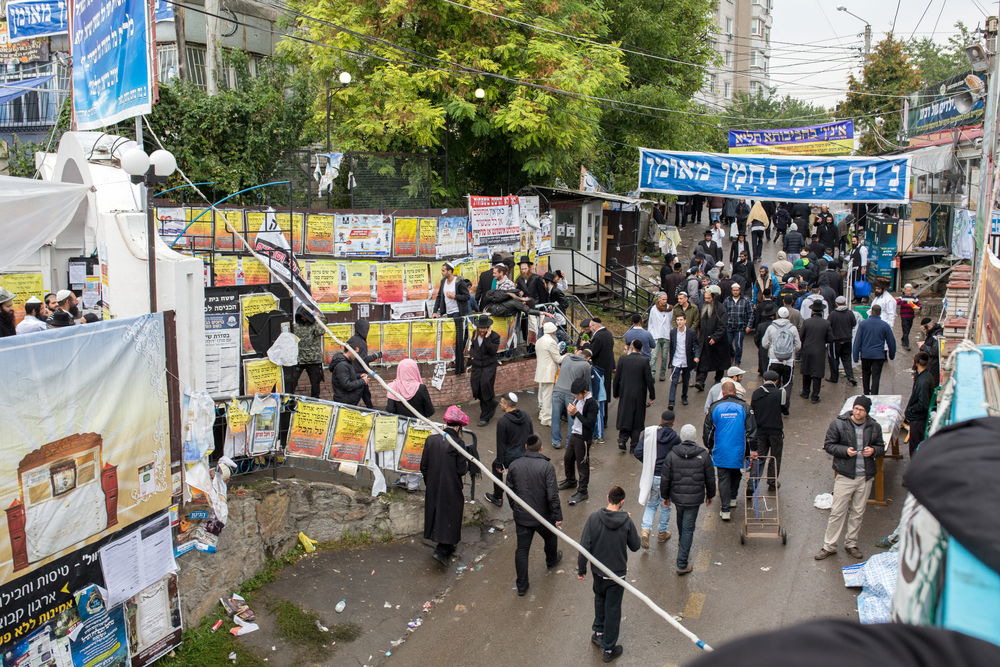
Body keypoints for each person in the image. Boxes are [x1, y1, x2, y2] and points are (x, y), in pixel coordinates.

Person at [814, 396, 885, 561]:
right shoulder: (839, 424)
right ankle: (829, 546)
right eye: (856, 409)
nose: (858, 412)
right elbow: (829, 445)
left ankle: (851, 543)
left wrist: (873, 451)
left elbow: (881, 447)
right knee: (837, 512)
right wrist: (845, 451)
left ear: (867, 412)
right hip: (845, 475)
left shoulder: (874, 427)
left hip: (865, 477)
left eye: (862, 410)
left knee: (858, 512)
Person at [577, 485, 640, 664]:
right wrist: (628, 523)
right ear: (622, 502)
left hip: (598, 572)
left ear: (607, 498)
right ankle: (609, 648)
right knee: (613, 609)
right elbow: (635, 546)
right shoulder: (626, 521)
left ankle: (598, 632)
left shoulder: (593, 518)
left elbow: (584, 546)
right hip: (617, 576)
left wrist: (581, 569)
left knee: (599, 599)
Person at [507, 434, 563, 596]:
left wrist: (516, 508)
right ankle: (551, 560)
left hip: (522, 517)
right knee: (551, 537)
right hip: (543, 517)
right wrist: (557, 516)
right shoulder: (546, 467)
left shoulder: (514, 465)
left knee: (522, 550)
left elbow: (510, 492)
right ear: (541, 448)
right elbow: (552, 495)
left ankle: (522, 586)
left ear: (525, 447)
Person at [660, 423, 715, 574]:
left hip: (677, 497)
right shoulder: (703, 455)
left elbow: (665, 478)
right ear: (695, 437)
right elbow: (710, 478)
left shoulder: (672, 455)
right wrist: (710, 495)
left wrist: (665, 496)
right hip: (695, 498)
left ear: (682, 437)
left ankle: (682, 547)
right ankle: (682, 563)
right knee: (688, 528)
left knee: (681, 522)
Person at [421, 406, 471, 566]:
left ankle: (442, 544)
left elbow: (424, 466)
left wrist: (430, 481)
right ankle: (443, 549)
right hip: (451, 487)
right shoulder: (458, 444)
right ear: (458, 427)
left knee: (436, 513)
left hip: (433, 484)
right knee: (450, 515)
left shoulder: (431, 440)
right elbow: (461, 469)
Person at [703, 381, 756, 521]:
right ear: (735, 391)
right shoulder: (745, 407)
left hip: (721, 450)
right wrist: (753, 449)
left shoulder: (715, 408)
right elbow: (752, 431)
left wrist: (709, 446)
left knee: (723, 478)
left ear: (723, 391)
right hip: (740, 449)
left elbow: (708, 430)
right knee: (736, 473)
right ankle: (732, 498)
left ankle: (725, 509)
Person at [387, 359, 435, 491]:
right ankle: (412, 484)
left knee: (402, 453)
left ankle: (403, 478)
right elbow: (430, 411)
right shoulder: (421, 388)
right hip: (418, 429)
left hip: (400, 428)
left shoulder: (392, 387)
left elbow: (390, 410)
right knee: (415, 455)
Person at [634, 411, 680, 548]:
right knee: (665, 505)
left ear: (661, 419)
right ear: (673, 422)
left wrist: (648, 462)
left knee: (651, 504)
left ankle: (645, 530)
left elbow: (637, 452)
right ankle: (662, 532)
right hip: (667, 478)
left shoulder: (650, 433)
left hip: (652, 476)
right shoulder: (675, 438)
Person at [486, 393, 534, 507]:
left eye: (501, 403)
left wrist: (499, 463)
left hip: (512, 456)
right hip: (526, 452)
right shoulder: (526, 416)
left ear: (506, 405)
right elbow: (531, 435)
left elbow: (501, 445)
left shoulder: (503, 422)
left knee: (495, 466)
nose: (500, 405)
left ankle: (498, 497)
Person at [613, 340, 655, 453]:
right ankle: (634, 446)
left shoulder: (623, 359)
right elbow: (649, 379)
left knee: (624, 415)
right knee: (637, 419)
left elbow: (617, 378)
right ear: (641, 349)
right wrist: (652, 395)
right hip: (639, 395)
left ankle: (622, 439)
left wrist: (615, 393)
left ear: (632, 347)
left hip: (625, 393)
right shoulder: (644, 361)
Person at [561, 376, 598, 506]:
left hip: (583, 438)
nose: (575, 397)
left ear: (584, 391)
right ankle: (571, 480)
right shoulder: (579, 400)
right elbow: (577, 416)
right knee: (568, 458)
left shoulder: (592, 403)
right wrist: (572, 413)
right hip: (574, 433)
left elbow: (589, 423)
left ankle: (583, 491)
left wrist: (576, 413)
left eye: (577, 394)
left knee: (582, 464)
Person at [432, 262, 471, 374]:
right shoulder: (443, 281)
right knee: (451, 340)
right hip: (448, 314)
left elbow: (467, 296)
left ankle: (460, 368)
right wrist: (435, 311)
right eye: (442, 270)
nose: (442, 272)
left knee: (459, 341)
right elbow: (439, 297)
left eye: (444, 270)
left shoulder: (458, 282)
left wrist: (455, 296)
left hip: (458, 314)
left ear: (450, 271)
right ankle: (454, 362)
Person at [750, 371, 787, 488]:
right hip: (775, 431)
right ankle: (772, 482)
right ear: (777, 381)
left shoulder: (756, 393)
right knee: (775, 457)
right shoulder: (780, 392)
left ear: (763, 380)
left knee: (759, 457)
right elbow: (785, 410)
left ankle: (752, 484)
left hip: (760, 431)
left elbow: (753, 411)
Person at [551, 349, 592, 449]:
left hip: (557, 391)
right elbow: (586, 383)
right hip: (571, 394)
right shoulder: (586, 365)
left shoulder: (567, 358)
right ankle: (570, 442)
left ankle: (556, 441)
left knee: (555, 417)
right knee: (572, 419)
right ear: (587, 358)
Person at [852, 304, 896, 395]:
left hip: (866, 355)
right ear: (880, 313)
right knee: (876, 376)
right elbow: (891, 342)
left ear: (871, 312)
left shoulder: (863, 324)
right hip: (879, 355)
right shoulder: (885, 325)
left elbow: (857, 341)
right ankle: (874, 394)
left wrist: (855, 356)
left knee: (865, 374)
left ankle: (866, 393)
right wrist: (892, 355)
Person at [695, 286, 730, 391]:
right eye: (705, 298)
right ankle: (700, 381)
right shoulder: (704, 307)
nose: (706, 300)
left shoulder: (721, 309)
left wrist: (715, 337)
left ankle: (718, 380)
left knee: (719, 363)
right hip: (705, 340)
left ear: (714, 297)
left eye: (708, 298)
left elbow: (722, 326)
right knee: (703, 361)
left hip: (718, 342)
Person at [287, 307, 326, 398]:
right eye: (301, 316)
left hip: (313, 360)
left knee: (315, 383)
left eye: (304, 316)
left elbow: (322, 330)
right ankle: (289, 398)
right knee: (292, 381)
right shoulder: (295, 326)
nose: (302, 318)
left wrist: (317, 316)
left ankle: (315, 400)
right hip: (299, 359)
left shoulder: (315, 325)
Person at [582, 318, 615, 425]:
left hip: (599, 369)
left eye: (591, 327)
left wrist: (585, 344)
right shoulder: (609, 334)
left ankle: (599, 420)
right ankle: (604, 418)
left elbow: (592, 352)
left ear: (595, 326)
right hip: (607, 367)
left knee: (598, 394)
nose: (590, 329)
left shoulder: (598, 336)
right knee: (604, 393)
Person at [469, 315, 501, 426]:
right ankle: (492, 403)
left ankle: (485, 416)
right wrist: (472, 356)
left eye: (485, 328)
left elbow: (492, 351)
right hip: (477, 366)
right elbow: (472, 347)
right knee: (476, 387)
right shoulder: (474, 334)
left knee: (485, 387)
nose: (482, 330)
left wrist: (487, 338)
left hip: (489, 366)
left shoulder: (495, 336)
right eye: (481, 328)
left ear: (488, 327)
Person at [799, 300, 833, 403]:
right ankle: (814, 396)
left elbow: (801, 336)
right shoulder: (826, 323)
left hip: (807, 349)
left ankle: (805, 393)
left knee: (806, 371)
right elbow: (830, 338)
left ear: (812, 311)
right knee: (817, 374)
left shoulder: (807, 322)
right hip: (819, 351)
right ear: (822, 311)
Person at [534, 321, 564, 427]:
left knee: (542, 394)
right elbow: (558, 359)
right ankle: (547, 418)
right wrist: (568, 355)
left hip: (541, 371)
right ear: (553, 331)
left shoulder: (539, 341)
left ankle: (542, 415)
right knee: (548, 396)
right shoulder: (551, 342)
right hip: (549, 372)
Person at [346, 319, 382, 408]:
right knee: (358, 396)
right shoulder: (361, 342)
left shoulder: (351, 339)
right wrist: (376, 355)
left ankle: (371, 409)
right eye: (366, 329)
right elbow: (363, 360)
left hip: (352, 372)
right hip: (359, 374)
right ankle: (348, 410)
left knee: (366, 395)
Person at [904, 351, 934, 458]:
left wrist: (911, 411)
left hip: (918, 420)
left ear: (916, 363)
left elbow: (923, 404)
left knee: (915, 448)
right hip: (919, 418)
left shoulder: (923, 381)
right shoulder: (926, 376)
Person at [668, 312, 698, 409]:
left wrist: (696, 356)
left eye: (681, 320)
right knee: (674, 381)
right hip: (676, 361)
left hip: (687, 361)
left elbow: (696, 345)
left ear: (685, 321)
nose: (679, 322)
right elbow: (671, 347)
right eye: (677, 320)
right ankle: (671, 401)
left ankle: (684, 397)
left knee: (685, 381)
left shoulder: (691, 333)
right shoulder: (672, 332)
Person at [827, 296, 858, 385]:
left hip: (835, 341)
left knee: (834, 359)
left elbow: (828, 326)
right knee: (847, 359)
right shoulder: (850, 313)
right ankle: (850, 376)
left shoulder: (832, 314)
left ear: (836, 303)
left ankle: (834, 377)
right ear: (845, 303)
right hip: (847, 339)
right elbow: (854, 324)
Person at [723, 283, 753, 366]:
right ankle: (732, 355)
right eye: (734, 290)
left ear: (739, 290)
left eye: (737, 290)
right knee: (728, 344)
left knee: (738, 345)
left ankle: (737, 361)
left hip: (740, 327)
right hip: (729, 326)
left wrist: (749, 325)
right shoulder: (727, 300)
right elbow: (723, 313)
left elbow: (750, 313)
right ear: (731, 291)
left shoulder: (746, 300)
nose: (735, 292)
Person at [648, 292, 673, 382]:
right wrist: (650, 334)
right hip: (656, 335)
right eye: (663, 299)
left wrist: (671, 332)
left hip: (666, 335)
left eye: (666, 299)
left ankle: (662, 373)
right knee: (654, 356)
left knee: (665, 356)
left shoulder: (670, 309)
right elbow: (650, 323)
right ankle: (652, 374)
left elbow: (671, 322)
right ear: (659, 299)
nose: (665, 301)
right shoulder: (654, 309)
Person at [896, 283, 922, 351]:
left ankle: (903, 339)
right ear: (904, 290)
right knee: (905, 330)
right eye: (907, 291)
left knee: (908, 329)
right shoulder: (902, 297)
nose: (908, 292)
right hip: (904, 316)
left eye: (910, 291)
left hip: (911, 316)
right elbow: (897, 302)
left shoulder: (914, 298)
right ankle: (906, 344)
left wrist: (919, 307)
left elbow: (919, 304)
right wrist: (906, 302)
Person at [919, 317, 943, 386]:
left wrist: (923, 346)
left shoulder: (937, 334)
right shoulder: (932, 332)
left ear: (929, 326)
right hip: (930, 365)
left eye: (924, 329)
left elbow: (934, 351)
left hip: (934, 367)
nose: (924, 331)